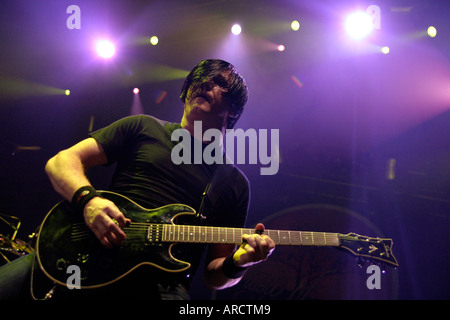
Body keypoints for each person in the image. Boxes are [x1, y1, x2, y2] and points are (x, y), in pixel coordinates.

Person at [0, 59, 275, 300]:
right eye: (199, 78)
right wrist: (89, 201)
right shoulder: (143, 126)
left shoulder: (233, 184)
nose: (204, 84)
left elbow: (214, 274)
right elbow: (60, 162)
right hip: (85, 253)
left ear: (233, 112)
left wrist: (239, 264)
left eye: (217, 83)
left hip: (159, 286)